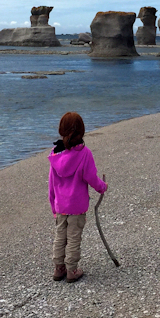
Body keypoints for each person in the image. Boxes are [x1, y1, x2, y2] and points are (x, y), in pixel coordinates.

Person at [48, 111, 107, 283]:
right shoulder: (84, 153)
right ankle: (71, 270)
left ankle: (59, 268)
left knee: (60, 236)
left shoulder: (55, 153)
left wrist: (53, 205)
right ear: (81, 131)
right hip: (77, 206)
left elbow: (51, 184)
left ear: (61, 130)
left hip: (61, 205)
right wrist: (102, 187)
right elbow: (91, 177)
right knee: (73, 238)